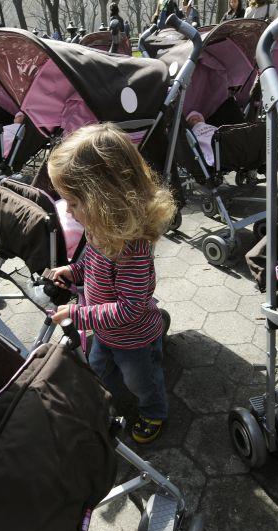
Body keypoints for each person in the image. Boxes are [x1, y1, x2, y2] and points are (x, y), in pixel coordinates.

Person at [47, 123, 176, 444]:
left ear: (102, 200)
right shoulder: (100, 228)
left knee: (142, 381)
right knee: (98, 365)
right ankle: (111, 395)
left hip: (131, 337)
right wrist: (74, 271)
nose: (68, 210)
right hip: (104, 330)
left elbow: (130, 309)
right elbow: (91, 262)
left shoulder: (131, 248)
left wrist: (78, 315)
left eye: (74, 203)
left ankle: (154, 411)